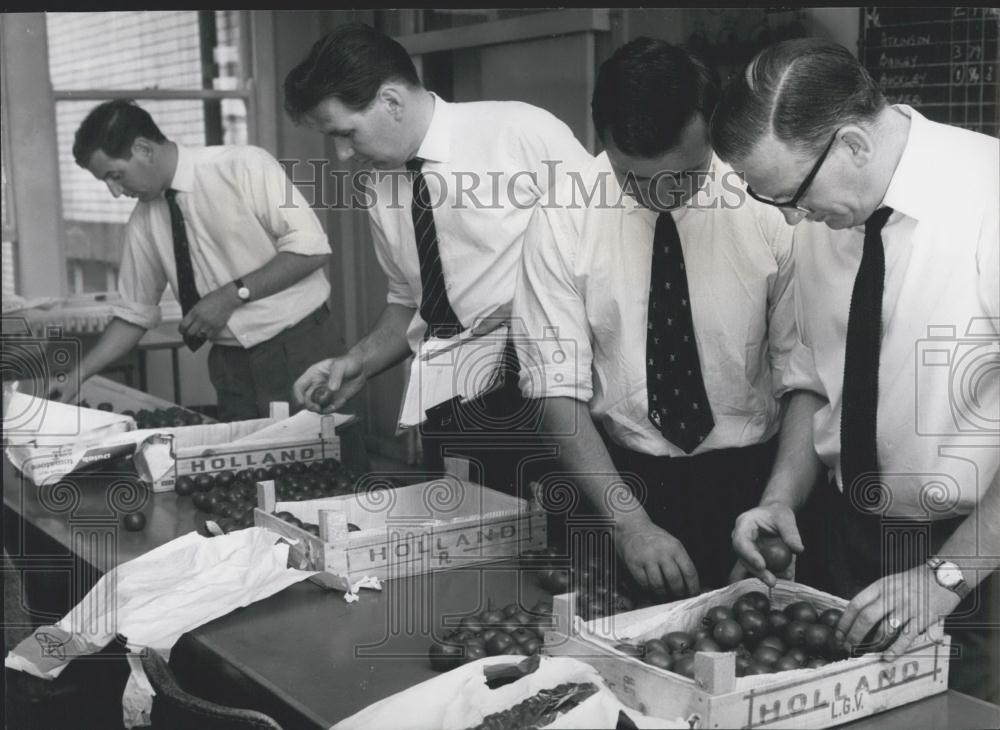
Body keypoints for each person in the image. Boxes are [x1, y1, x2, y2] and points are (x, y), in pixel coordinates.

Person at [713, 38, 999, 701]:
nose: (790, 217)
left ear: (853, 146)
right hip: (850, 540)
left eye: (793, 196)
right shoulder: (826, 207)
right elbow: (819, 378)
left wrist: (946, 577)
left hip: (974, 558)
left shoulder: (988, 198)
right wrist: (781, 496)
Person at [511, 37, 797, 596]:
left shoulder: (767, 200)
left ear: (712, 131)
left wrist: (779, 504)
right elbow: (555, 389)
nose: (662, 196)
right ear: (604, 140)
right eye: (634, 179)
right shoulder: (564, 214)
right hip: (619, 478)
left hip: (754, 478)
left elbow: (805, 374)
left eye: (686, 176)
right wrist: (630, 524)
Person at [285, 23, 592, 493]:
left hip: (546, 395)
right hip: (447, 403)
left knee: (552, 555)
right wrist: (357, 362)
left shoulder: (521, 133)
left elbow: (610, 256)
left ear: (391, 101)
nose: (343, 155)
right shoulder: (378, 185)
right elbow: (410, 302)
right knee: (458, 549)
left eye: (346, 134)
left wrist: (530, 306)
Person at [59, 99, 335, 421]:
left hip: (300, 347)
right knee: (248, 469)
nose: (115, 192)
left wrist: (230, 296)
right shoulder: (143, 222)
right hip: (229, 365)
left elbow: (311, 249)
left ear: (144, 149)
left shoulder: (243, 165)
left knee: (334, 463)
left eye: (116, 176)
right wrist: (76, 376)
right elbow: (135, 313)